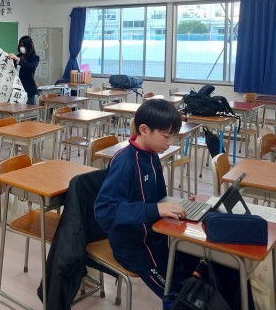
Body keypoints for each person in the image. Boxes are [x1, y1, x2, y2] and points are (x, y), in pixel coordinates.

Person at [94, 99, 252, 308]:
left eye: (173, 136)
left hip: (161, 237)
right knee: (188, 295)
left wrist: (178, 204)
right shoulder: (125, 162)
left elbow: (158, 200)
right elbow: (104, 211)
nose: (170, 142)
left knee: (225, 269)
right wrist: (156, 209)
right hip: (137, 248)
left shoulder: (152, 155)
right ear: (144, 130)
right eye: (166, 136)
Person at [7, 35, 40, 105]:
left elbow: (31, 67)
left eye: (23, 46)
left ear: (28, 46)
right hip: (17, 89)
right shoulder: (18, 56)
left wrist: (18, 59)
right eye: (20, 45)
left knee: (31, 110)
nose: (21, 47)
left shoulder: (34, 57)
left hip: (29, 90)